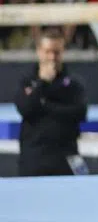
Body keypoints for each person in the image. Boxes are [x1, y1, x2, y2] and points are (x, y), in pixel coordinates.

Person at [15, 29, 89, 177]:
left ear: (63, 52)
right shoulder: (27, 81)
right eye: (48, 51)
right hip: (34, 157)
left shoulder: (74, 82)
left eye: (57, 52)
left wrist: (44, 105)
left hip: (66, 156)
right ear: (39, 52)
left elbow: (80, 113)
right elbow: (25, 108)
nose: (52, 57)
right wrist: (42, 83)